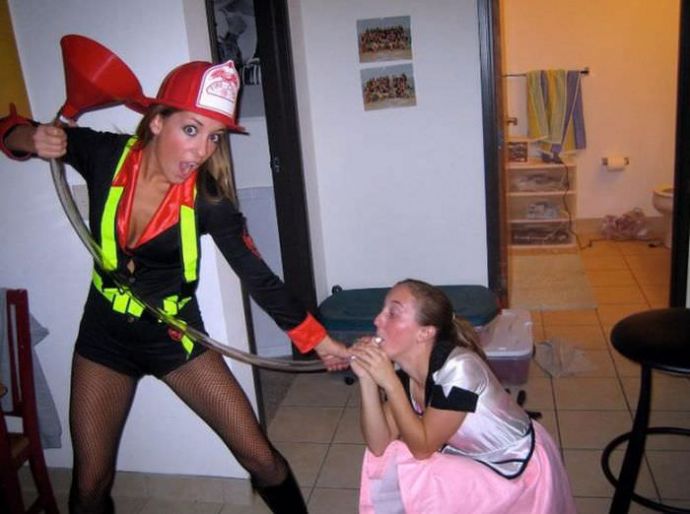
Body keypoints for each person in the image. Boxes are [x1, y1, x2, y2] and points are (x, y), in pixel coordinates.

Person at [0, 59, 350, 514]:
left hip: (175, 338)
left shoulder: (210, 201)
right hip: (104, 337)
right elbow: (10, 130)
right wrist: (31, 139)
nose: (203, 150)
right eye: (191, 130)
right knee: (89, 484)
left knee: (259, 458)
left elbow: (259, 277)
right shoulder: (105, 154)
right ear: (157, 121)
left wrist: (318, 340)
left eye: (214, 136)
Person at [350, 279, 576, 513]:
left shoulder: (460, 370)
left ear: (425, 332)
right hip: (470, 456)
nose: (377, 320)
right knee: (395, 458)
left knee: (417, 464)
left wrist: (389, 383)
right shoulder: (408, 373)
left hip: (515, 465)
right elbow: (378, 446)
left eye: (392, 313)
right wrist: (367, 379)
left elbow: (422, 447)